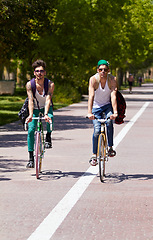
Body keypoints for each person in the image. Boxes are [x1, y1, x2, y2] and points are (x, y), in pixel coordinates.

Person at [87, 59, 117, 166]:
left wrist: (115, 112)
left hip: (107, 106)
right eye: (100, 69)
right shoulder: (93, 80)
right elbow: (91, 96)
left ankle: (110, 147)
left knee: (109, 122)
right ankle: (94, 155)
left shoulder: (112, 80)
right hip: (96, 107)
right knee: (96, 130)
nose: (103, 71)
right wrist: (90, 112)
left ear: (108, 70)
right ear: (97, 70)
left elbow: (113, 96)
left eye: (105, 69)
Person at [26, 59, 54, 168]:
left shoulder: (50, 84)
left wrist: (46, 114)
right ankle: (31, 158)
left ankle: (48, 136)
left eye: (41, 71)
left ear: (45, 72)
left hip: (46, 107)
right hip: (35, 108)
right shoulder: (30, 85)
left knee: (50, 120)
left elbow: (48, 100)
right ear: (34, 73)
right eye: (37, 71)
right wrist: (30, 115)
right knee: (31, 129)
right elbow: (30, 100)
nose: (39, 73)